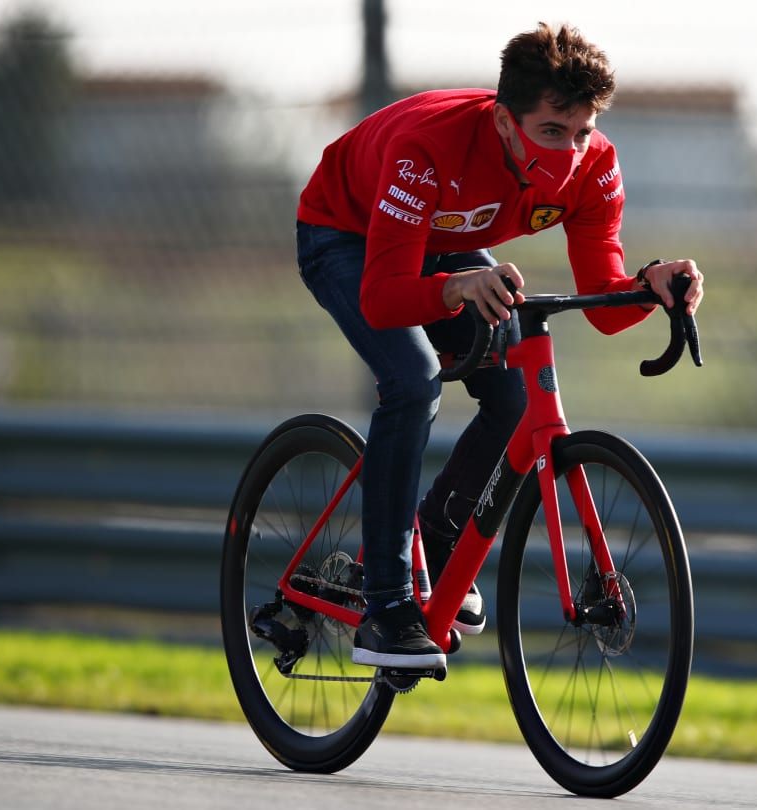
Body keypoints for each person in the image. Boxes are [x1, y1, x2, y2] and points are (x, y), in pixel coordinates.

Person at [296, 21, 704, 669]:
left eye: (583, 131)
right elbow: (383, 298)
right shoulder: (426, 147)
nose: (571, 152)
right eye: (551, 131)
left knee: (515, 397)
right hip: (345, 234)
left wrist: (648, 288)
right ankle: (387, 600)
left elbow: (601, 302)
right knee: (413, 380)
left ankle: (433, 545)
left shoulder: (593, 163)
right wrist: (455, 289)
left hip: (447, 238)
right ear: (505, 121)